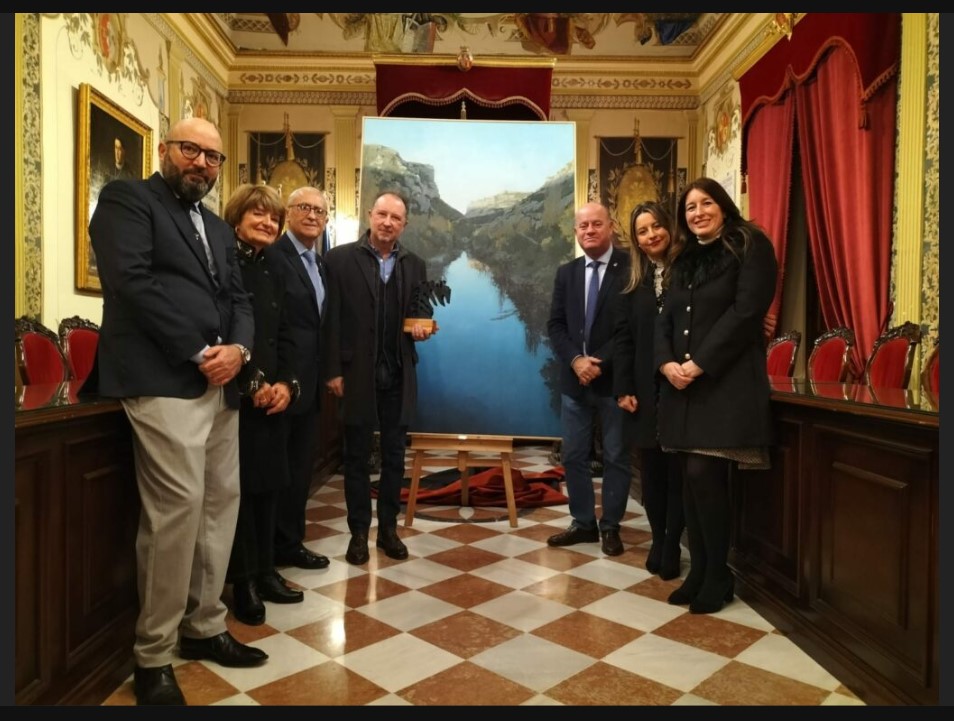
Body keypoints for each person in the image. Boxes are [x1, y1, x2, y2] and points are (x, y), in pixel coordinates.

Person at [88, 117, 267, 706]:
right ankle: (154, 654)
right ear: (167, 149)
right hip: (163, 379)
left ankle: (205, 626)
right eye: (191, 150)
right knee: (177, 514)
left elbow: (239, 299)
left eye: (214, 157)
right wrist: (200, 352)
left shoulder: (217, 228)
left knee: (220, 506)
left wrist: (238, 351)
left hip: (221, 386)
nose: (202, 164)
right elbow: (133, 284)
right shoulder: (127, 199)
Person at [655, 177, 778, 614]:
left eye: (706, 203)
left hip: (724, 384)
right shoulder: (685, 257)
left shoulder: (750, 245)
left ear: (724, 206)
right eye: (689, 207)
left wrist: (699, 363)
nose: (698, 212)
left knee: (706, 477)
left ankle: (719, 574)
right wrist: (666, 361)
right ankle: (700, 571)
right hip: (681, 387)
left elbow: (746, 313)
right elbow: (665, 317)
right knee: (689, 480)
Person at [321, 190, 437, 565]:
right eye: (382, 214)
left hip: (398, 374)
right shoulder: (338, 260)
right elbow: (330, 320)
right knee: (355, 458)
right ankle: (357, 534)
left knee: (394, 457)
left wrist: (421, 330)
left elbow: (418, 314)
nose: (388, 222)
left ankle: (388, 530)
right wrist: (333, 370)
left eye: (396, 218)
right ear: (370, 215)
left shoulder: (415, 265)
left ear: (405, 225)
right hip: (355, 375)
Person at [223, 184, 306, 627]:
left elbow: (289, 331)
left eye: (273, 218)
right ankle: (243, 581)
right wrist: (252, 382)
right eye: (258, 215)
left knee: (270, 485)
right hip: (235, 397)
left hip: (273, 397)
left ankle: (267, 570)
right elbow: (218, 328)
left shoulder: (276, 267)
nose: (267, 223)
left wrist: (287, 385)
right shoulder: (223, 262)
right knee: (240, 492)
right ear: (237, 217)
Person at [546, 202, 632, 556]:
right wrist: (576, 361)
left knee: (615, 457)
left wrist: (599, 362)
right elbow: (556, 326)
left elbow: (632, 326)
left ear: (610, 227)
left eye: (596, 224)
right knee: (574, 456)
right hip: (575, 382)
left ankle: (610, 526)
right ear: (576, 232)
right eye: (583, 226)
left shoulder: (630, 267)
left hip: (614, 381)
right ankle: (583, 524)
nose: (589, 231)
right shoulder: (567, 273)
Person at [614, 201, 685, 579]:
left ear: (670, 228)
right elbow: (623, 339)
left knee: (678, 473)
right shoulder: (634, 283)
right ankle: (659, 538)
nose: (651, 235)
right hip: (643, 388)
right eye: (642, 230)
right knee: (652, 473)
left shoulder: (687, 273)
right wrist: (623, 387)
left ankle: (673, 542)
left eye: (656, 226)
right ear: (636, 240)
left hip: (682, 387)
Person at [272, 186, 332, 571]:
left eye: (320, 211)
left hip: (310, 387)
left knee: (299, 471)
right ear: (288, 213)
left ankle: (291, 543)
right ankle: (271, 551)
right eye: (305, 208)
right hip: (280, 386)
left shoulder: (320, 263)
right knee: (277, 473)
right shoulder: (274, 257)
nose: (313, 216)